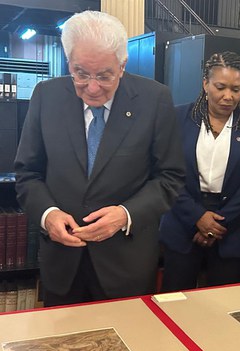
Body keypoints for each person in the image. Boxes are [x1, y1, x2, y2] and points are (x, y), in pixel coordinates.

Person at [14, 11, 185, 306]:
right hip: (62, 262)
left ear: (122, 65)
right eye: (81, 73)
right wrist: (48, 215)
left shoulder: (154, 99)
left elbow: (170, 177)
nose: (92, 88)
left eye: (105, 75)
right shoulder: (46, 96)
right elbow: (27, 173)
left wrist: (125, 215)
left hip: (126, 262)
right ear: (69, 62)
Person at [159, 51, 240, 292]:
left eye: (236, 89)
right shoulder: (178, 118)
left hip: (233, 226)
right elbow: (167, 173)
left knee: (225, 304)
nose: (228, 96)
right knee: (176, 302)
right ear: (205, 84)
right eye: (220, 87)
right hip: (183, 222)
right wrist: (197, 218)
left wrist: (218, 224)